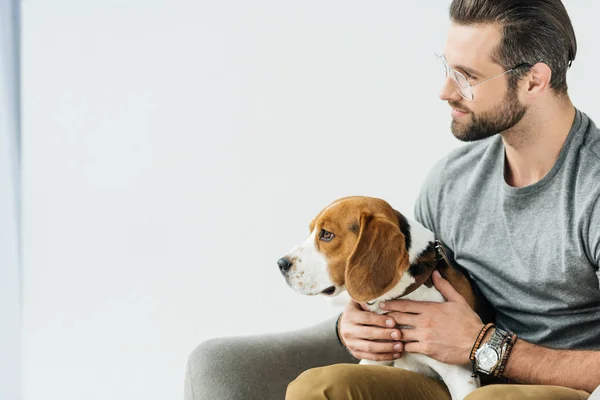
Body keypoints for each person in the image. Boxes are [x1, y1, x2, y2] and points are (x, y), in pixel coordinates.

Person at [185, 1, 600, 399]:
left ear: (533, 81)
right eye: (447, 69)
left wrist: (482, 345)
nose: (444, 92)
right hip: (455, 379)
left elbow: (472, 343)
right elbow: (408, 285)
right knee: (317, 390)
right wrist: (356, 325)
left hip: (566, 389)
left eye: (467, 77)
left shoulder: (592, 190)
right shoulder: (452, 181)